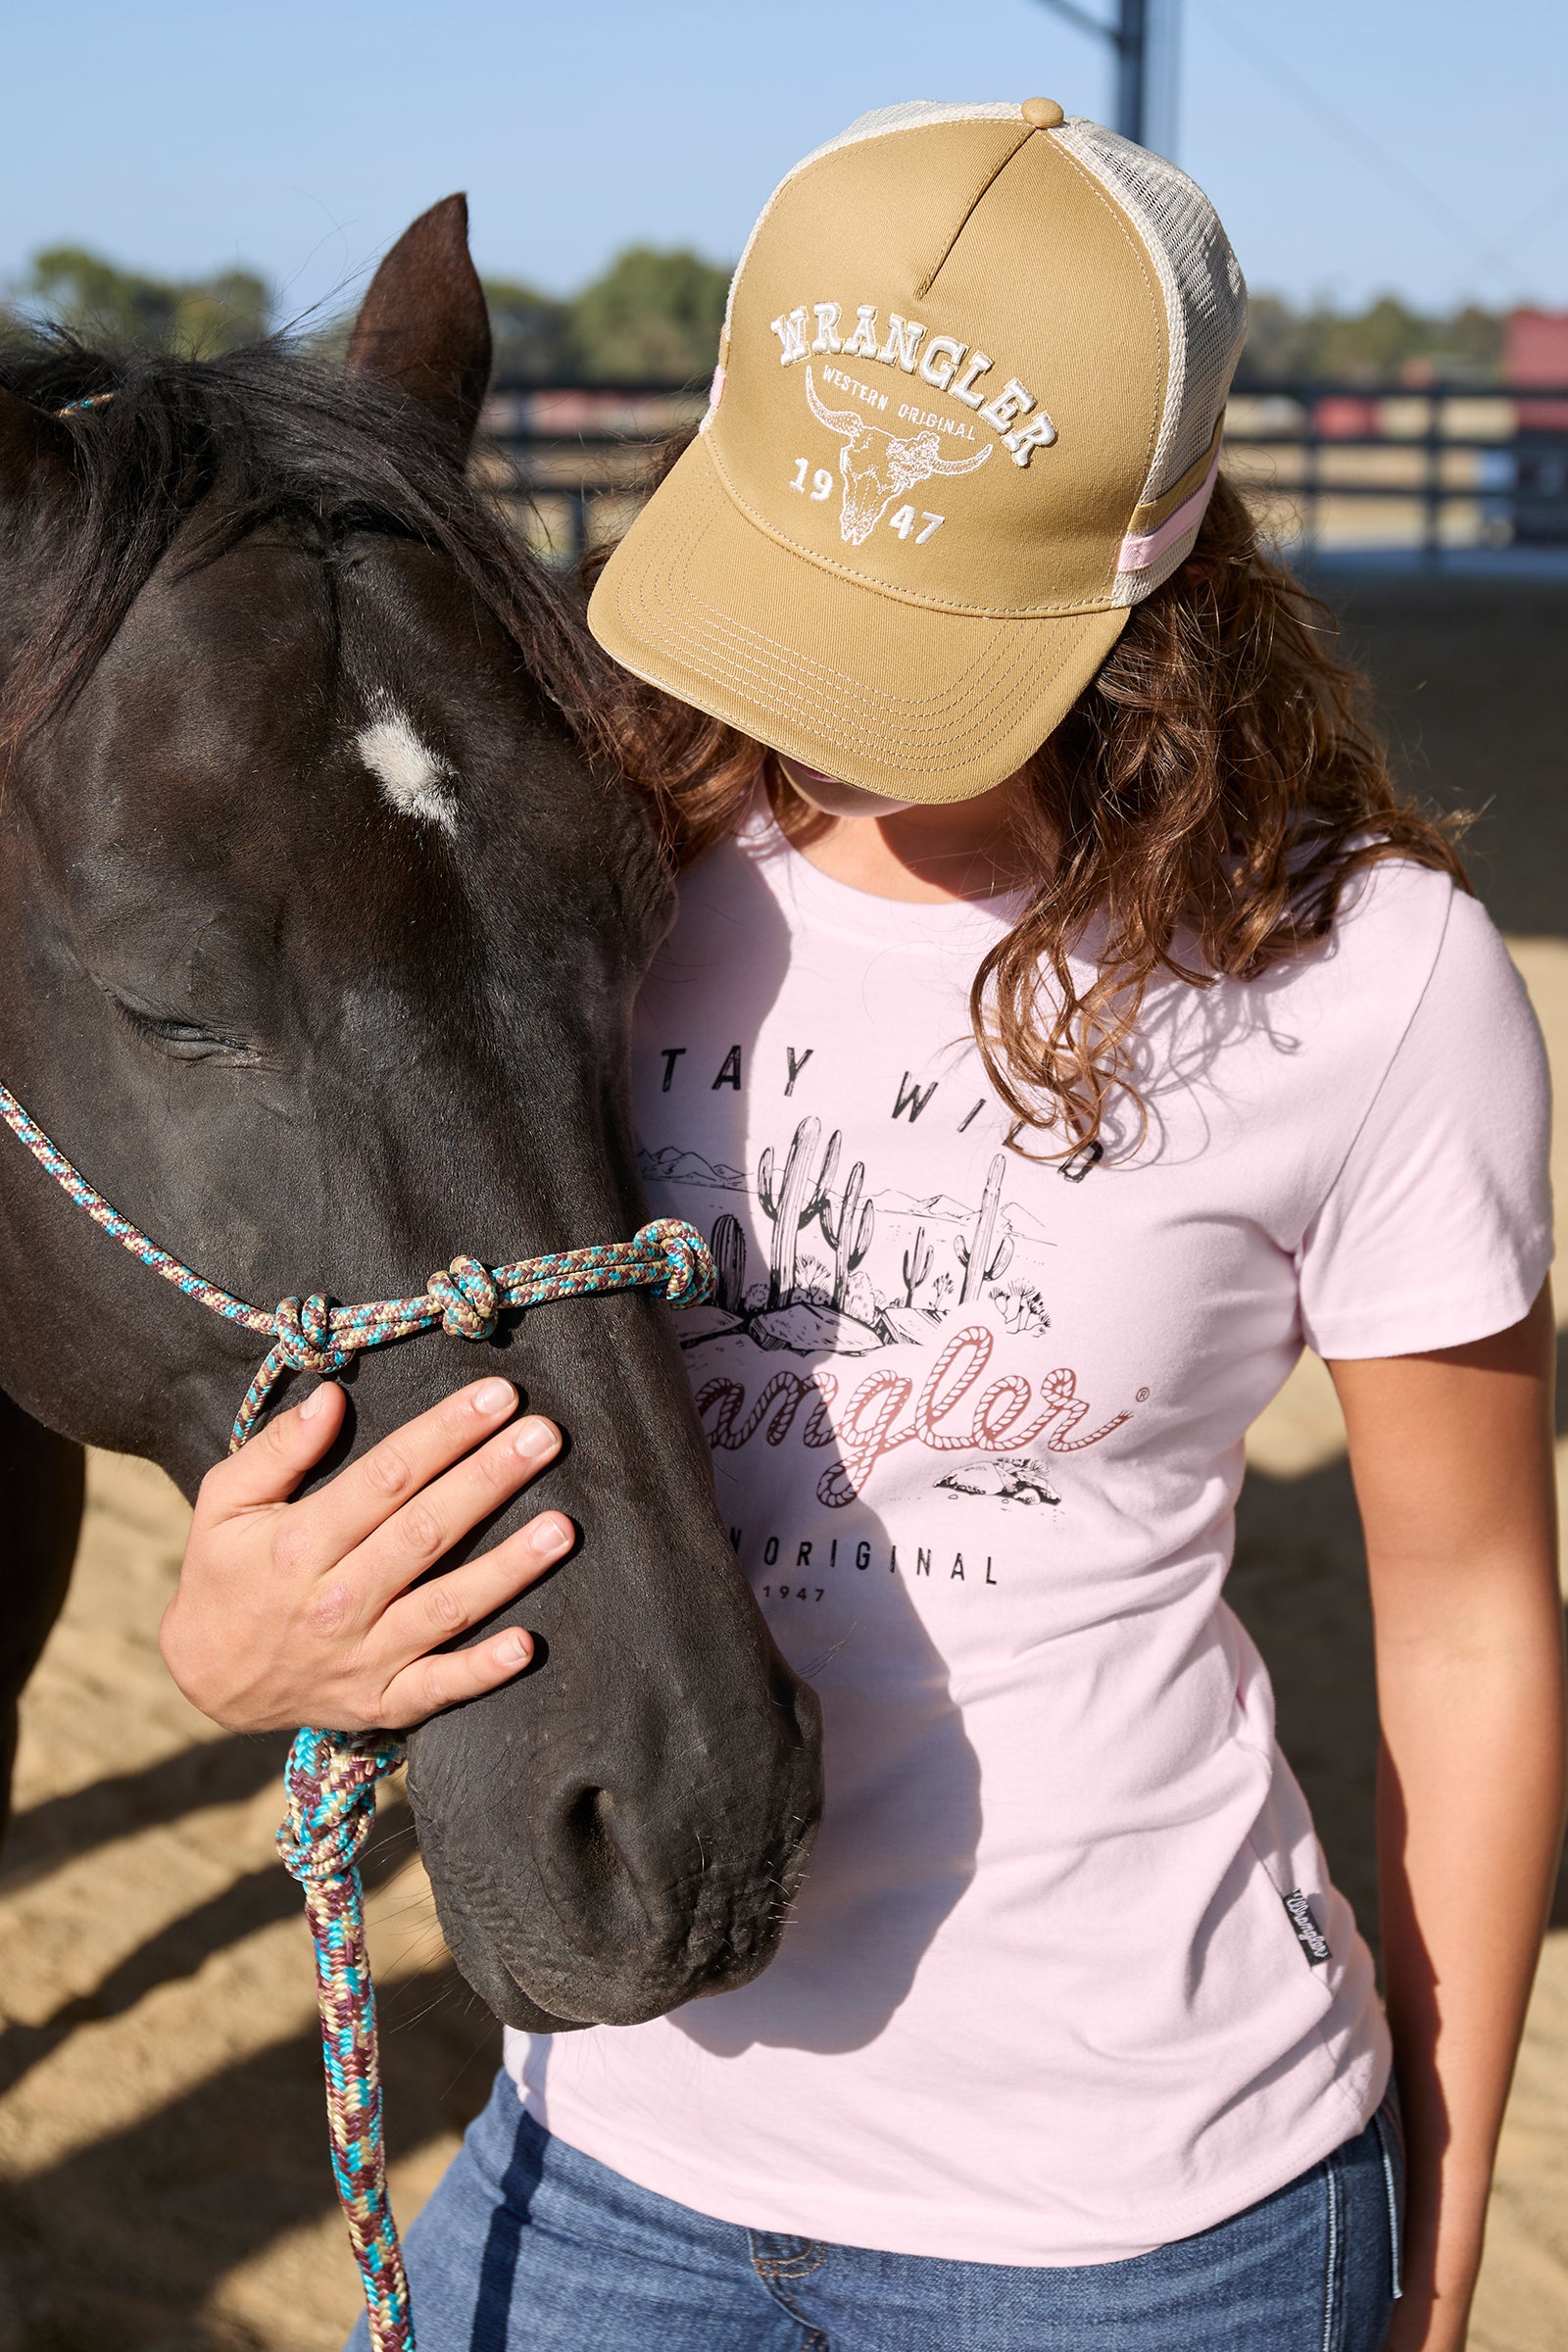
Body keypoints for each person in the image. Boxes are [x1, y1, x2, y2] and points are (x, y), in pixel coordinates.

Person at [163, 102, 1564, 2352]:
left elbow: (1472, 1626)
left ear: (1162, 541)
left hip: (1153, 2234)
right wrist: (244, 1647)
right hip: (599, 2161)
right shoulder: (577, 874)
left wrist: (1444, 2202)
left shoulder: (1366, 979)